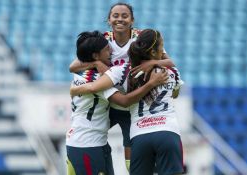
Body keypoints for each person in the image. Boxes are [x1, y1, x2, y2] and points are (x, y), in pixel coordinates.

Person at [69, 3, 175, 171]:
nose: (120, 19)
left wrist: (153, 62)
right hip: (109, 103)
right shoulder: (104, 40)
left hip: (132, 107)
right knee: (90, 138)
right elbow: (73, 66)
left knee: (131, 164)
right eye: (115, 15)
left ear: (132, 20)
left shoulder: (141, 38)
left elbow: (170, 62)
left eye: (125, 16)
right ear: (109, 20)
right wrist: (96, 61)